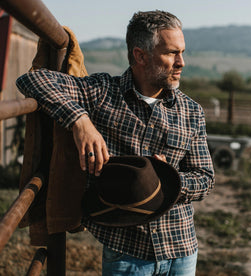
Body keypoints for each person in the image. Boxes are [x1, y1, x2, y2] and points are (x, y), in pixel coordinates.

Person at [16, 10, 214, 276]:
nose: (181, 62)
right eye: (171, 53)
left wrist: (168, 180)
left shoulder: (192, 111)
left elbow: (205, 178)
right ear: (140, 55)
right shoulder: (102, 92)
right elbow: (33, 79)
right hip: (126, 251)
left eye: (182, 52)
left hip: (181, 250)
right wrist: (80, 121)